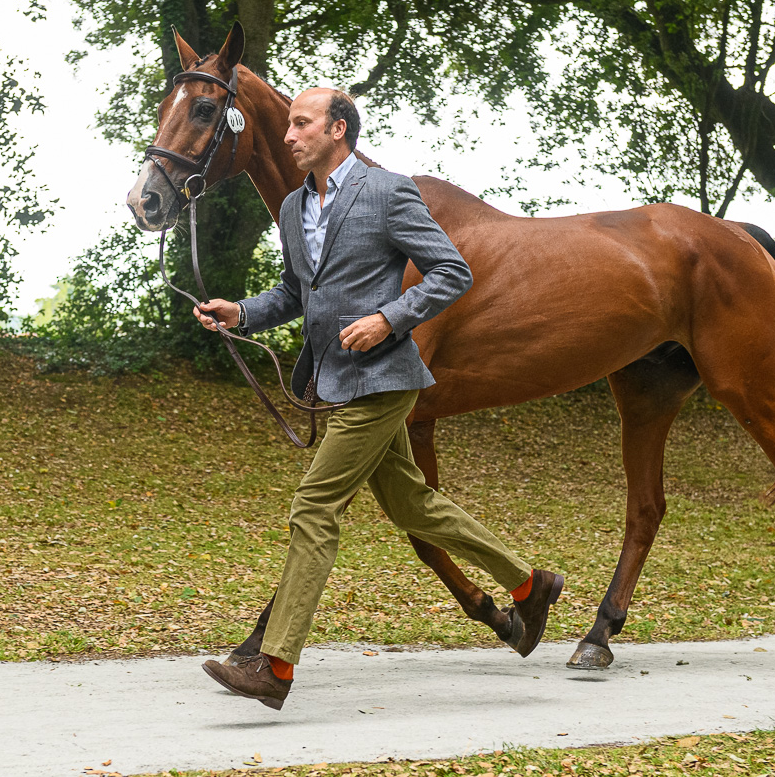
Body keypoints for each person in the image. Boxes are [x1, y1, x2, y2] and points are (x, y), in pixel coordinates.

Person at [194, 88, 564, 711]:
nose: (288, 134)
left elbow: (452, 271)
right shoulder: (291, 207)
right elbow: (293, 292)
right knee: (412, 504)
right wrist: (242, 312)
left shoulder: (386, 191)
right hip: (337, 379)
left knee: (314, 506)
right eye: (288, 124)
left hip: (384, 376)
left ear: (338, 130)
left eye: (302, 123)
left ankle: (275, 667)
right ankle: (529, 584)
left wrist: (390, 319)